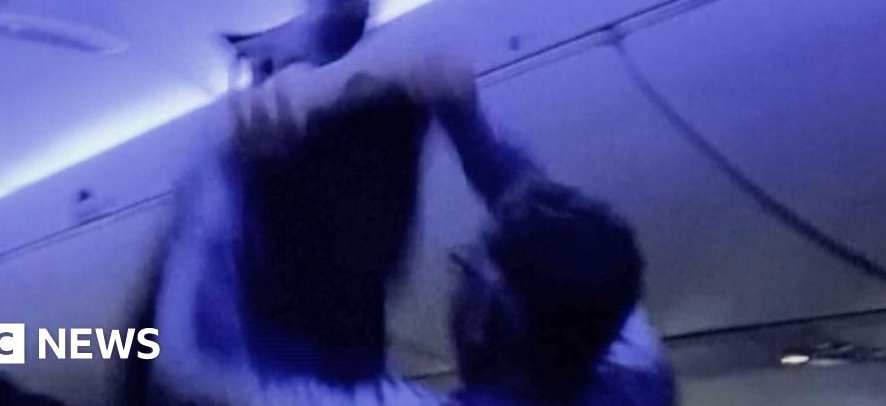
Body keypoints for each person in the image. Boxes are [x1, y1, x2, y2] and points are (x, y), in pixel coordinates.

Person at [138, 57, 676, 406]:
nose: (454, 279)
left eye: (466, 266)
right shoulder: (627, 369)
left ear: (488, 315)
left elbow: (194, 360)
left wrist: (225, 164)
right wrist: (465, 120)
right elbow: (551, 224)